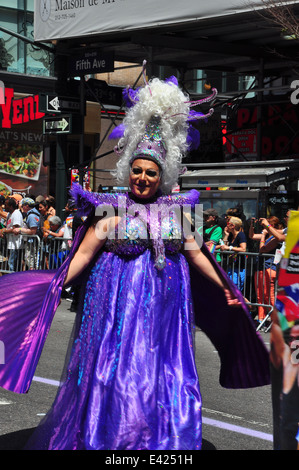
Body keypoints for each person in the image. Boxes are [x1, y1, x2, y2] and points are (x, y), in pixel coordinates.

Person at [0, 72, 270, 450]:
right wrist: (56, 285)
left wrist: (226, 287)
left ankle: (157, 438)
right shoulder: (110, 210)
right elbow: (82, 255)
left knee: (161, 374)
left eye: (151, 172)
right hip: (118, 314)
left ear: (164, 176)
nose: (143, 178)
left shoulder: (178, 214)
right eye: (138, 171)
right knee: (118, 375)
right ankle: (110, 435)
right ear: (129, 171)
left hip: (164, 315)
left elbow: (196, 254)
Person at [250, 216, 283, 325]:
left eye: (266, 224)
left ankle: (277, 319)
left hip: (269, 268)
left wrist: (263, 235)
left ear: (272, 225)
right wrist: (251, 225)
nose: (263, 226)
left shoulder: (274, 238)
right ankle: (261, 318)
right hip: (261, 268)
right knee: (260, 295)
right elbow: (252, 236)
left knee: (269, 296)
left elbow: (262, 249)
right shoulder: (269, 235)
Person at [220, 216, 247, 292]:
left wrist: (229, 248)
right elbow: (224, 245)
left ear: (233, 226)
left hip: (238, 268)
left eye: (228, 223)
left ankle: (246, 304)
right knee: (230, 289)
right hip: (231, 267)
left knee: (235, 290)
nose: (226, 225)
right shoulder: (231, 235)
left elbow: (243, 249)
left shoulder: (240, 235)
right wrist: (226, 235)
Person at [14, 197, 41, 270]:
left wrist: (20, 229)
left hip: (32, 242)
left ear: (27, 206)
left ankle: (33, 276)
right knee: (29, 260)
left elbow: (33, 231)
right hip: (30, 241)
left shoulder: (32, 216)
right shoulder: (31, 214)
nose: (22, 208)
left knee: (31, 260)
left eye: (23, 206)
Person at [0, 197, 23, 271]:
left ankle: (13, 281)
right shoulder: (10, 214)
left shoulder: (16, 214)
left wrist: (4, 230)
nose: (4, 206)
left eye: (6, 205)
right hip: (10, 243)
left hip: (16, 244)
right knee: (10, 263)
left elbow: (15, 229)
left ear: (11, 206)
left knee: (12, 264)